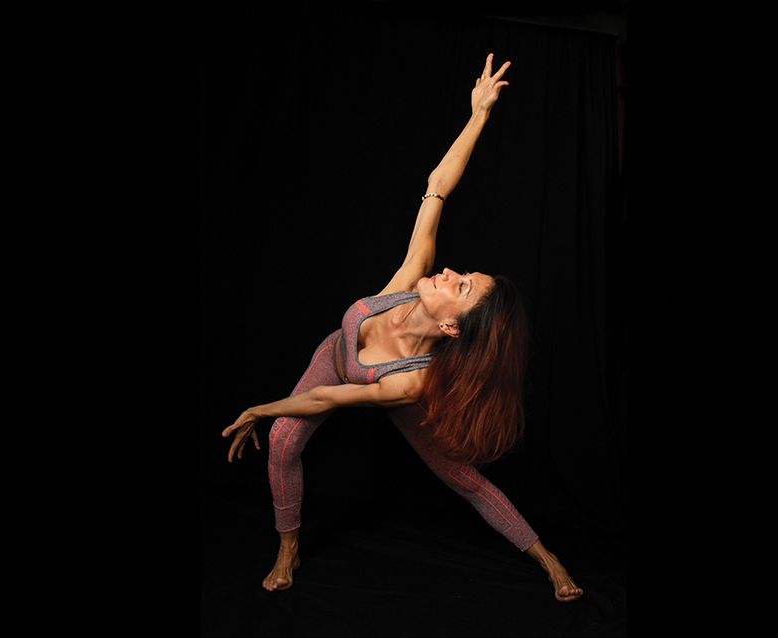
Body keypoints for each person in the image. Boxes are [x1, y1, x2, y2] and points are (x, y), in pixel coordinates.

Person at [222, 54, 582, 602]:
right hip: (333, 355)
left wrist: (262, 405)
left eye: (461, 288)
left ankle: (547, 557)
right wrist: (479, 114)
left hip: (366, 385)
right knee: (281, 445)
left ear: (452, 329)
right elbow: (437, 186)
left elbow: (325, 401)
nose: (452, 274)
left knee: (462, 479)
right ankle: (287, 546)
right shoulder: (408, 281)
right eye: (465, 274)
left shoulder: (414, 383)